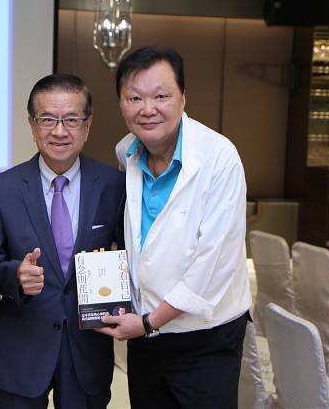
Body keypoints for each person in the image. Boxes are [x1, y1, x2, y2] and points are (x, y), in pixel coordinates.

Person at [98, 46, 252, 408]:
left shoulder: (220, 158)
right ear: (121, 104)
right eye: (134, 98)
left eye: (161, 96)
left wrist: (149, 322)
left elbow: (211, 264)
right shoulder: (127, 152)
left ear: (183, 98)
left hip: (205, 337)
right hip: (146, 332)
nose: (147, 109)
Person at [0, 74, 125, 408]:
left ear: (88, 126)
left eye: (71, 120)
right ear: (32, 125)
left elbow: (131, 255)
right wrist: (15, 275)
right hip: (22, 350)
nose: (59, 131)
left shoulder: (113, 185)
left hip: (88, 350)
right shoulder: (2, 189)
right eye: (47, 119)